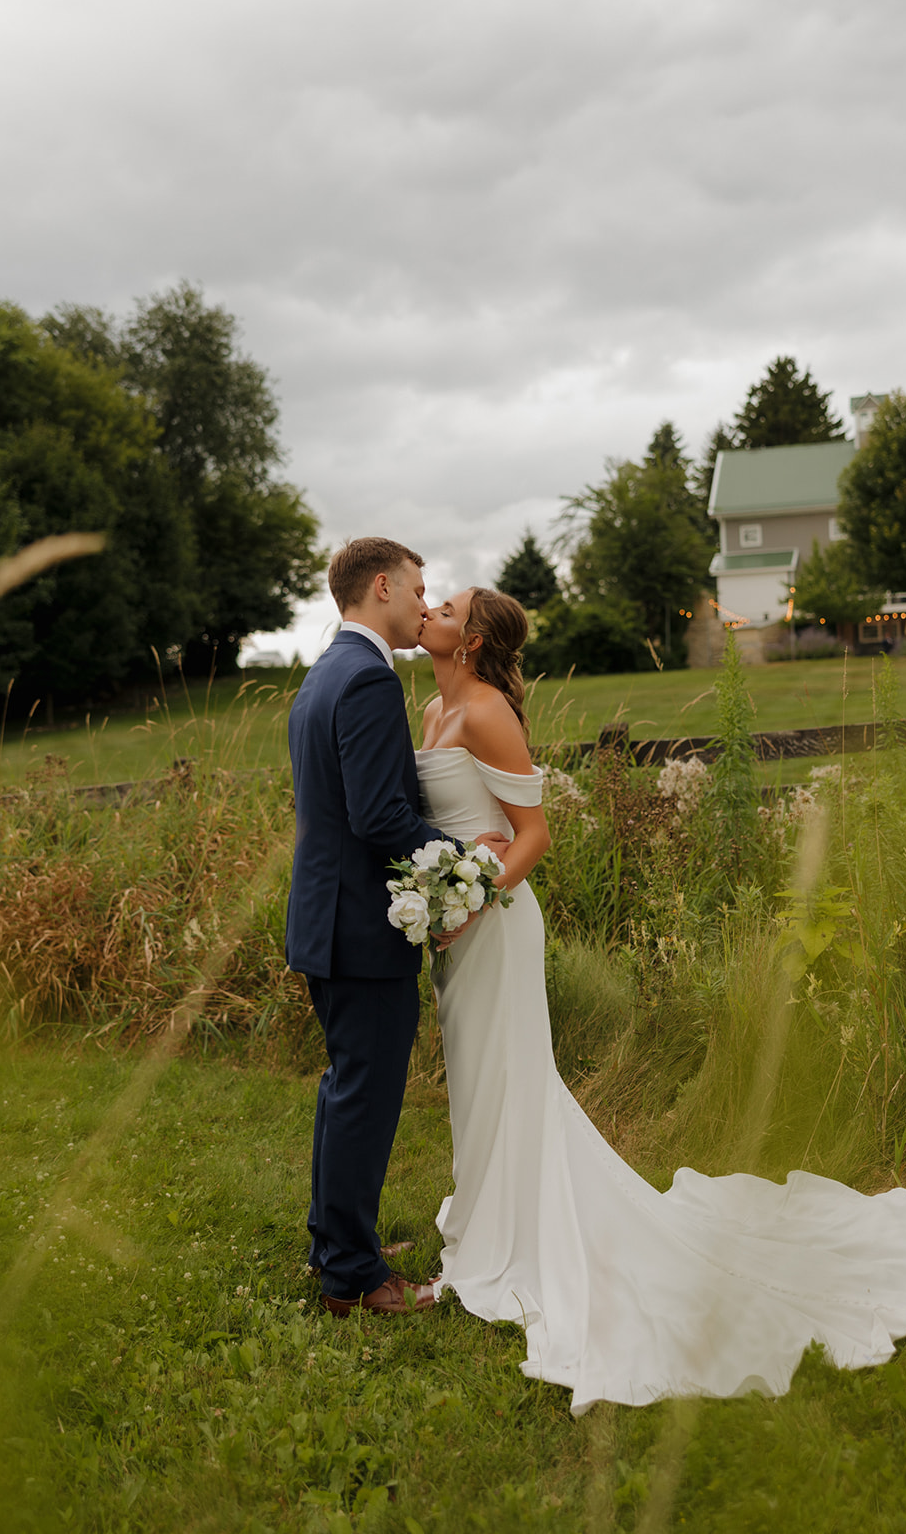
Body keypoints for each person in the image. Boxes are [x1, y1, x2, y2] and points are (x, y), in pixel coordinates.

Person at [415, 585, 906, 1413]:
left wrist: (471, 901)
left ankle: (515, 1238)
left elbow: (532, 834)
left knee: (509, 1073)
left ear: (469, 642)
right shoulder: (432, 709)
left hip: (492, 923)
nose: (429, 610)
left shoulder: (487, 711)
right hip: (457, 921)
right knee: (474, 1076)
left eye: (446, 606)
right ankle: (486, 1218)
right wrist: (438, 892)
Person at [285, 538, 507, 1318]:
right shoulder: (372, 679)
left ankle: (337, 1240)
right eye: (417, 588)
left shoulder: (323, 675)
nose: (424, 601)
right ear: (380, 587)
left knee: (344, 1089)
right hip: (357, 929)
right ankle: (351, 1275)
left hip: (322, 917)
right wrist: (472, 863)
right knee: (364, 1096)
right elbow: (380, 815)